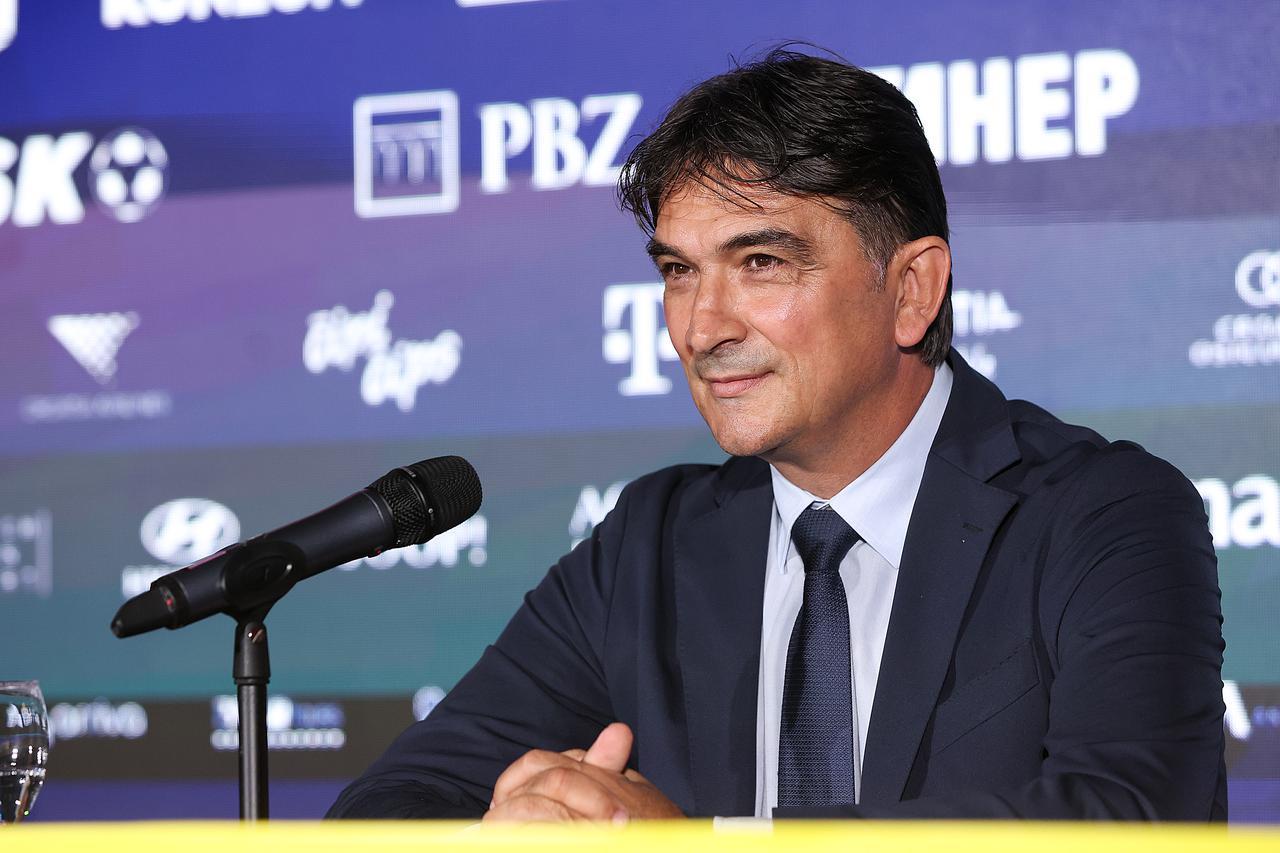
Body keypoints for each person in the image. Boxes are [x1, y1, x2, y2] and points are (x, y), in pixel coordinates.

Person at [328, 48, 1227, 821]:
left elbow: (1129, 818)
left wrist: (698, 846)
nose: (700, 327)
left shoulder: (1104, 515)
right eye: (679, 271)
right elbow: (387, 807)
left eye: (760, 262)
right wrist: (513, 824)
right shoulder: (649, 545)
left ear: (911, 290)